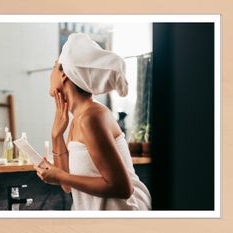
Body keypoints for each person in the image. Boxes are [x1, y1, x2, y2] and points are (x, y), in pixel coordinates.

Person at [34, 32, 151, 210]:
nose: (50, 74)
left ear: (64, 74)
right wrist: (57, 136)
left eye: (54, 66)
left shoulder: (92, 117)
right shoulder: (78, 118)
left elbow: (122, 188)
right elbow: (67, 186)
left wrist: (60, 176)